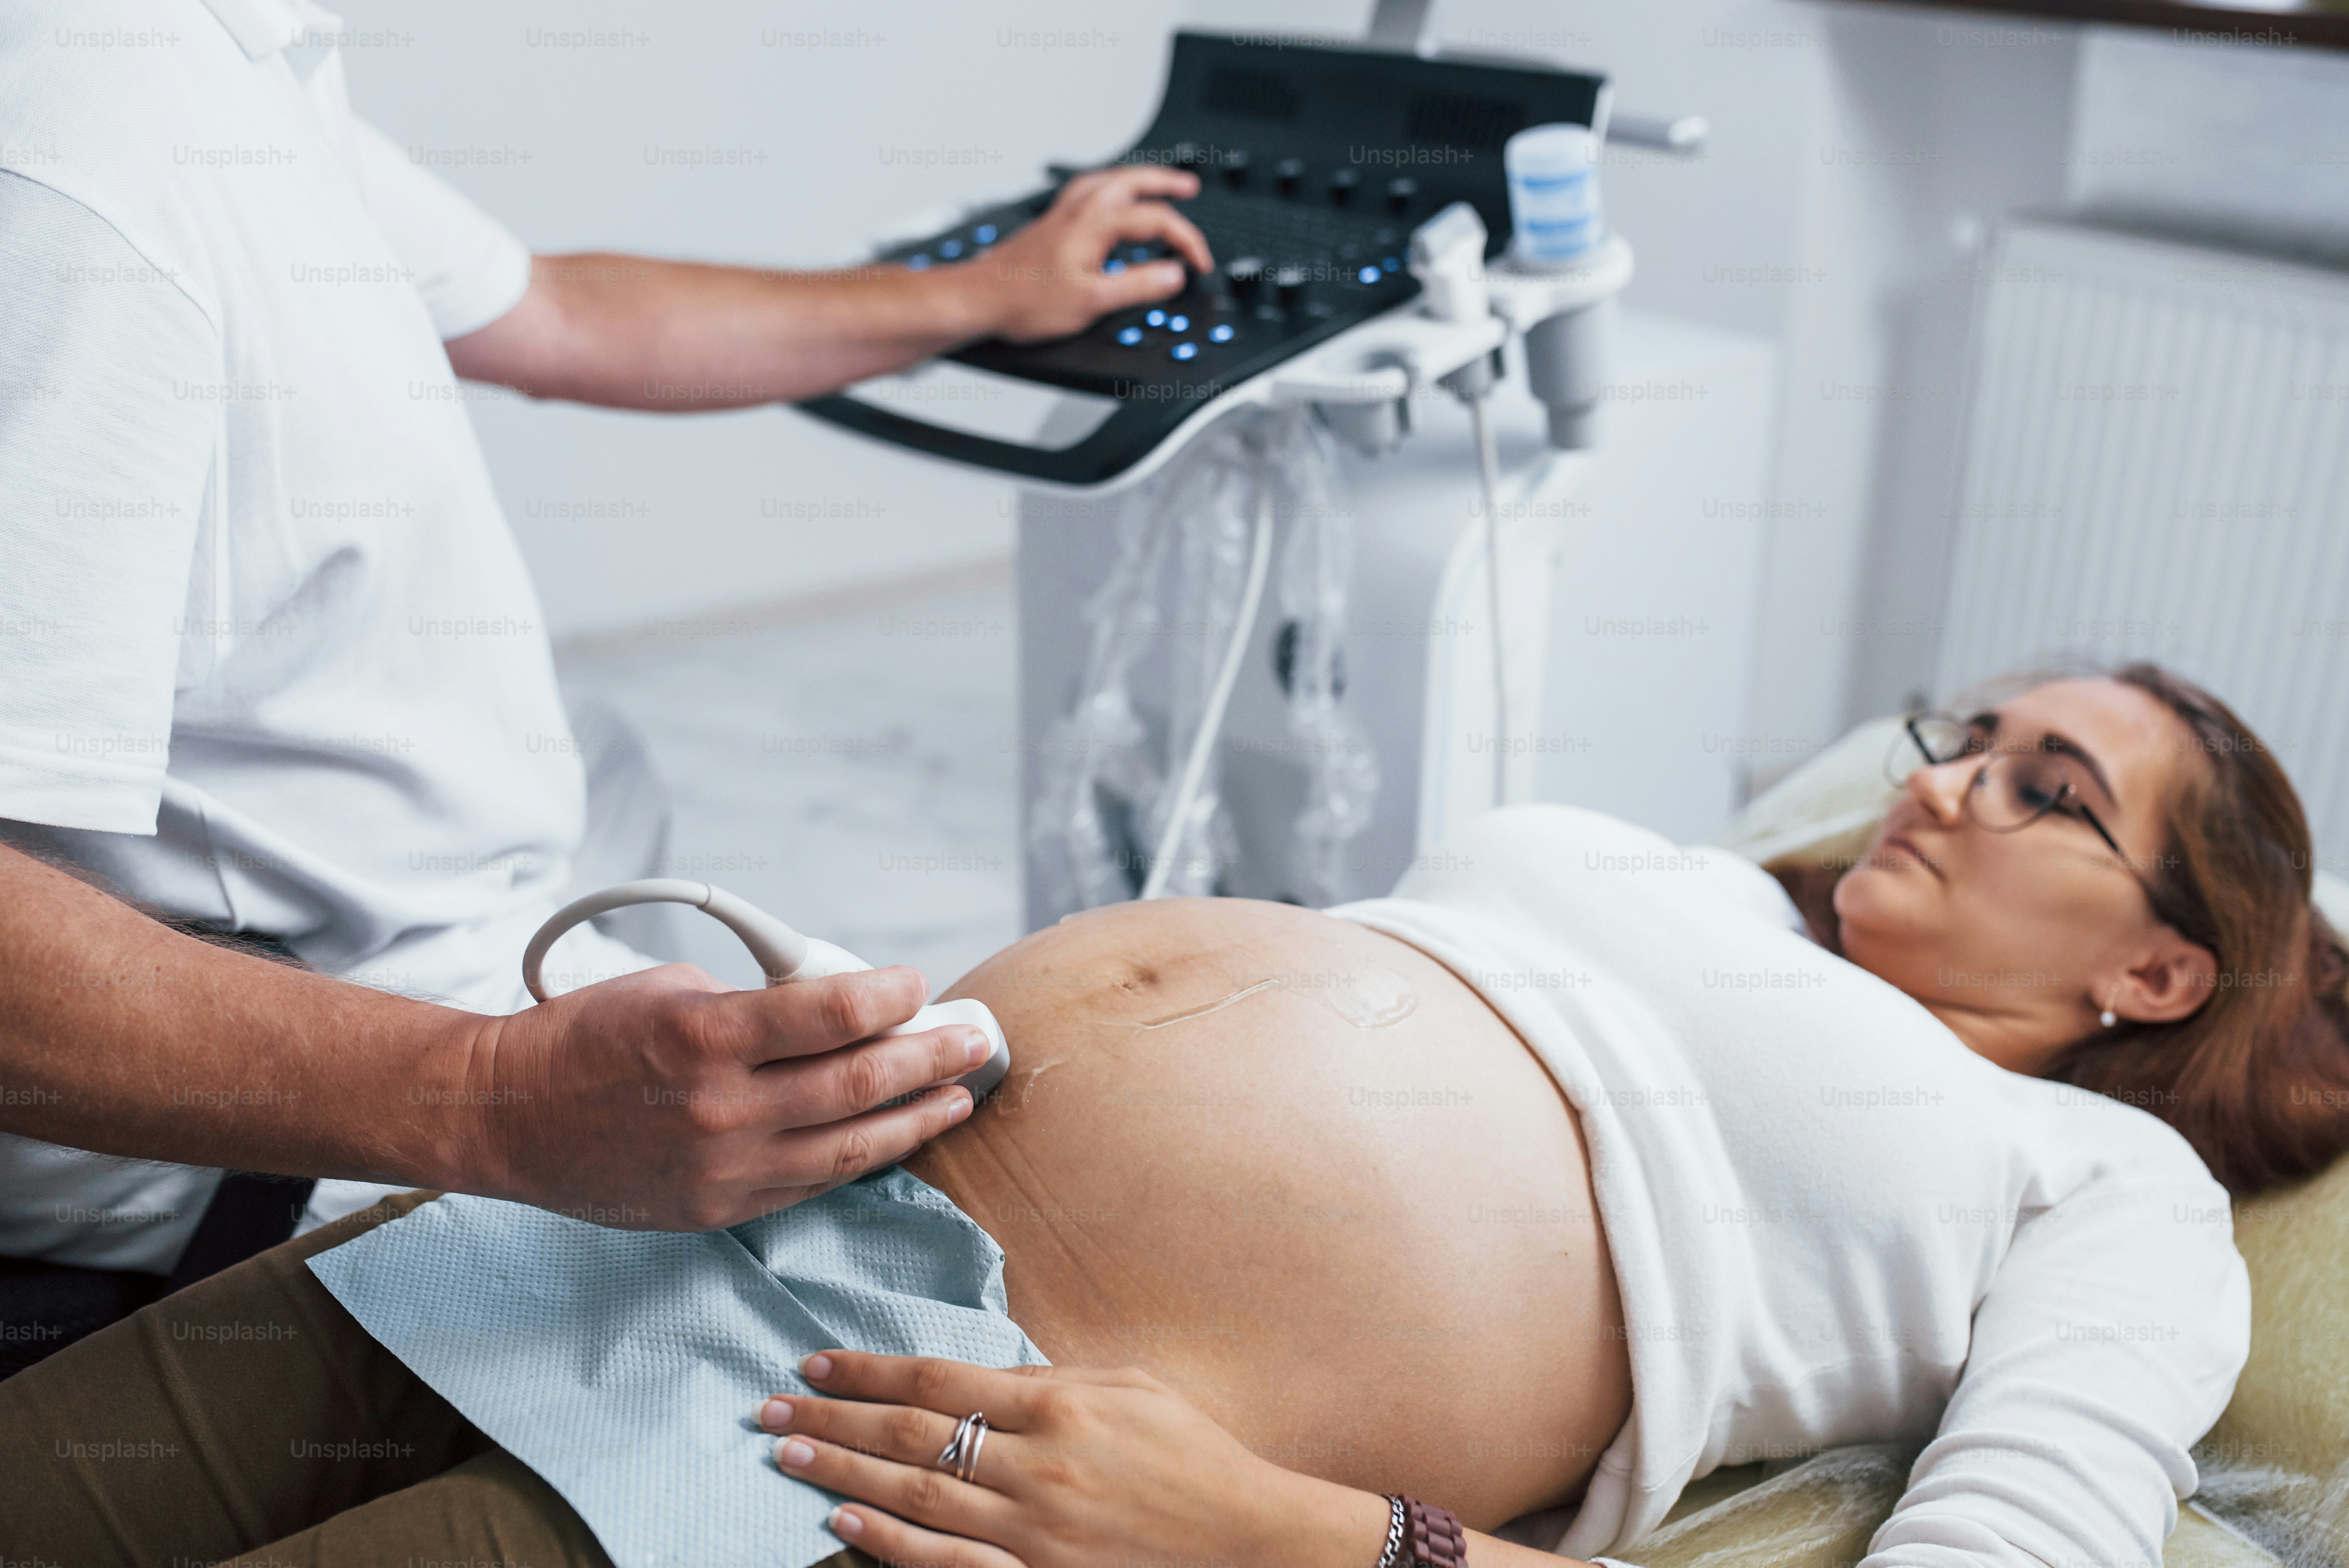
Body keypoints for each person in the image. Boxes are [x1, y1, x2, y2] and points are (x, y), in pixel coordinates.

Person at [9, 665, 2349, 1568]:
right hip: (646, 1222)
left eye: (2045, 791)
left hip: (888, 1451)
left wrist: (1298, 1539)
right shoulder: (1661, 878)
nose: (1940, 781)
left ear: (2155, 968)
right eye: (1961, 727)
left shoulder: (2100, 1187)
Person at [0, 0, 1213, 1338]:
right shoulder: (76, 152)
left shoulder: (230, 57)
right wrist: (499, 1103)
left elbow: (564, 311)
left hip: (434, 1024)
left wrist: (973, 295)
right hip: (235, 1202)